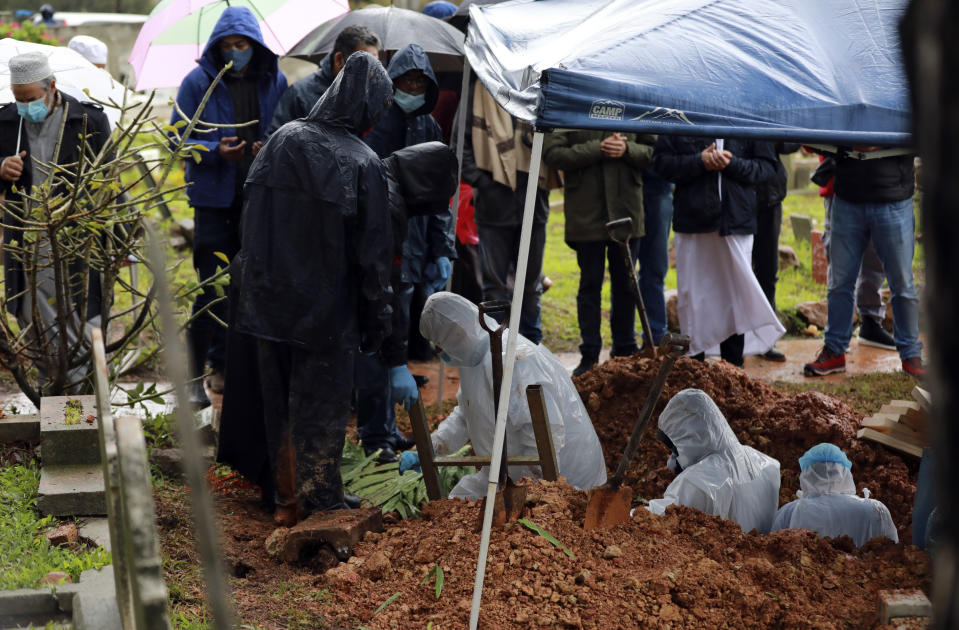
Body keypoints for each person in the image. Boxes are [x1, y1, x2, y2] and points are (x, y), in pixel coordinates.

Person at [230, 52, 394, 526]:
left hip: (267, 302)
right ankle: (320, 502)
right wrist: (377, 320)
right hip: (327, 312)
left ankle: (284, 499)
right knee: (320, 409)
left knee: (277, 400)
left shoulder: (283, 138)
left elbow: (249, 217)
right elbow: (373, 257)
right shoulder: (365, 163)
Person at [171, 6, 287, 408]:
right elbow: (177, 138)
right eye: (228, 45)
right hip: (213, 200)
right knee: (210, 288)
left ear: (256, 47)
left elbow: (287, 130)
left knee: (252, 288)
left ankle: (230, 369)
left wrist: (267, 146)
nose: (235, 51)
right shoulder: (197, 82)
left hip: (259, 200)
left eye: (243, 45)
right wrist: (214, 150)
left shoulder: (275, 80)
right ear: (216, 48)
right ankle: (192, 376)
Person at [407, 292, 607, 498]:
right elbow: (467, 413)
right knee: (456, 507)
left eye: (439, 343)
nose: (438, 350)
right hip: (506, 470)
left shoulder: (515, 360)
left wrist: (532, 488)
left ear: (456, 335)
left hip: (566, 479)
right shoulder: (472, 360)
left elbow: (544, 438)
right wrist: (433, 447)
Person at [357, 43, 455, 461]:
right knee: (377, 338)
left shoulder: (430, 127)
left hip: (413, 248)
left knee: (397, 330)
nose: (412, 88)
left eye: (420, 82)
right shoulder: (373, 122)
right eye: (405, 81)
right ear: (392, 82)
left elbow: (438, 198)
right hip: (381, 247)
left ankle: (390, 431)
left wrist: (440, 249)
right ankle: (374, 431)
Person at [0, 52, 111, 388]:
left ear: (52, 87)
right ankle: (55, 394)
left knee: (79, 313)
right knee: (31, 312)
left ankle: (80, 403)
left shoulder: (88, 121)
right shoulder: (6, 122)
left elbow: (109, 182)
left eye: (31, 99)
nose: (25, 107)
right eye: (19, 100)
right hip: (26, 238)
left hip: (77, 236)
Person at [652, 136, 783, 366]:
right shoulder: (683, 114)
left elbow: (766, 168)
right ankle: (696, 367)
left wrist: (732, 164)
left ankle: (733, 366)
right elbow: (662, 163)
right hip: (693, 222)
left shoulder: (746, 116)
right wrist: (699, 161)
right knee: (694, 297)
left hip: (737, 221)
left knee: (735, 296)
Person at [542, 130, 656, 375]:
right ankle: (589, 355)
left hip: (627, 208)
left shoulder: (633, 100)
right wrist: (598, 148)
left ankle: (625, 350)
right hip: (586, 212)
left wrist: (628, 150)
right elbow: (553, 153)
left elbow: (653, 151)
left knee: (627, 284)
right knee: (590, 285)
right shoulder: (575, 101)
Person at [804, 150, 923, 377]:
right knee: (840, 283)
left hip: (894, 198)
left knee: (902, 283)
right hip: (848, 197)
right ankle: (835, 350)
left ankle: (910, 355)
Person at [460, 80, 558, 344]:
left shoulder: (542, 86)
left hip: (534, 199)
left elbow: (557, 140)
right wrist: (485, 183)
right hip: (494, 204)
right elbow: (461, 145)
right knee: (493, 285)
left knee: (530, 285)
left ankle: (531, 347)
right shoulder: (482, 87)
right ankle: (496, 348)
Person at [647, 389, 780, 533]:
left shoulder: (696, 481)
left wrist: (626, 512)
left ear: (689, 440)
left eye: (674, 450)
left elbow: (658, 520)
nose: (671, 461)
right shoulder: (767, 464)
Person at [814, 155, 898, 352]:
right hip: (840, 184)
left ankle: (870, 322)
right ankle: (837, 339)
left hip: (879, 183)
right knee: (840, 268)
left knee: (875, 256)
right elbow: (811, 139)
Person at [771, 443, 898, 547]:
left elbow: (770, 549)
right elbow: (893, 551)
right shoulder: (875, 509)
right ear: (846, 473)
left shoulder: (789, 512)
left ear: (806, 475)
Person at [267, 26, 380, 136]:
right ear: (339, 59)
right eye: (363, 64)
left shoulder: (374, 96)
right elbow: (276, 140)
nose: (370, 72)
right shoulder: (300, 93)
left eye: (375, 64)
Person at [752, 142, 801, 362]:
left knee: (767, 271)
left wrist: (777, 139)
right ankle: (733, 340)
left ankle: (765, 340)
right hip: (735, 195)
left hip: (769, 196)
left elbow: (791, 142)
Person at [639, 167, 673, 346]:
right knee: (622, 271)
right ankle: (624, 342)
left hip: (659, 190)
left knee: (655, 267)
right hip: (625, 191)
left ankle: (656, 336)